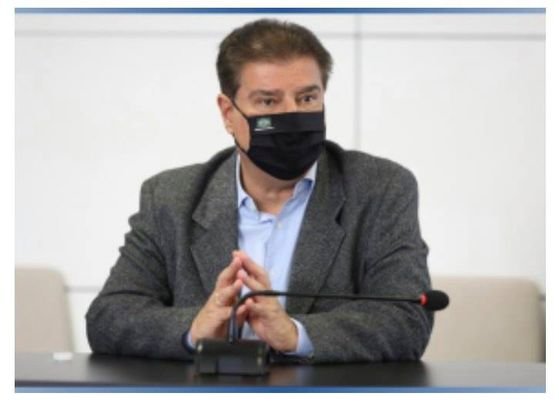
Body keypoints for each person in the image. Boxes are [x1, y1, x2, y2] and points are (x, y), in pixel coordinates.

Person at [86, 19, 433, 363]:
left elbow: (408, 320)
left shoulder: (379, 189)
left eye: (307, 98)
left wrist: (295, 334)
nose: (292, 116)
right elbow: (109, 318)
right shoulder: (170, 197)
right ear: (228, 113)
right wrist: (195, 329)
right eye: (268, 102)